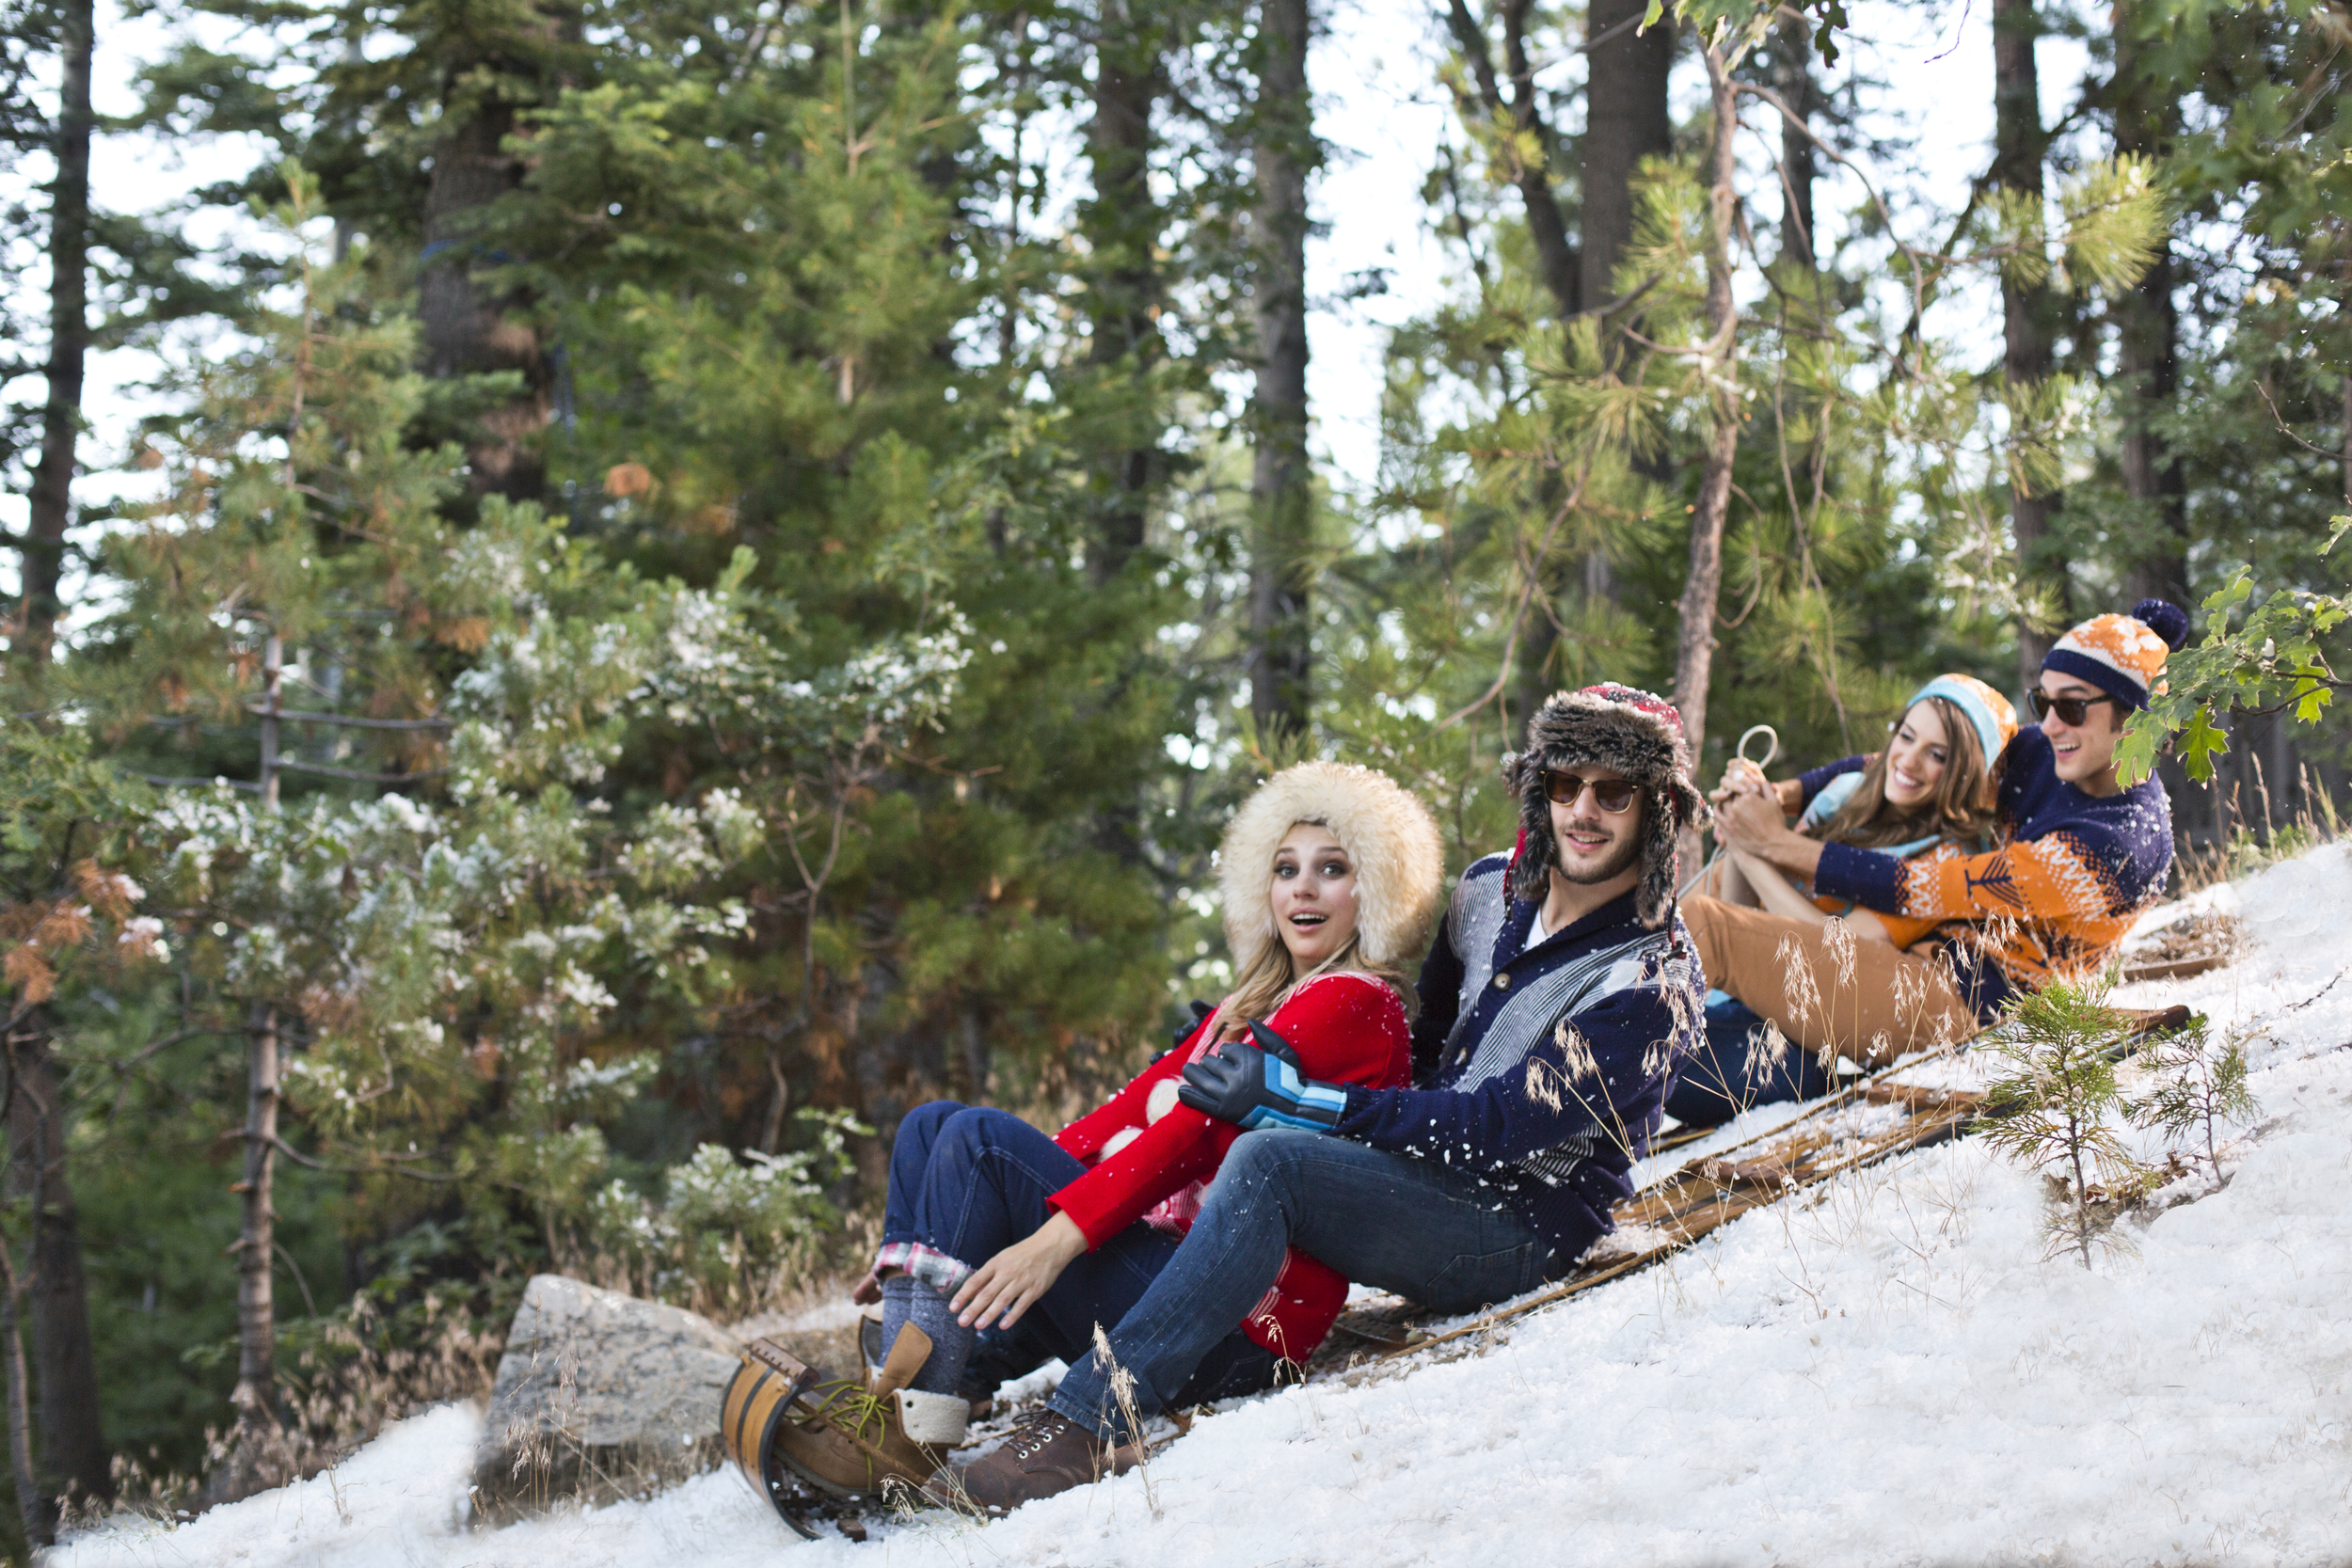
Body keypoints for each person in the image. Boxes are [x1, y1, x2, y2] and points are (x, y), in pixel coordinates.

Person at [927, 683, 1708, 1514]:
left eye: (1613, 791)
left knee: (1274, 1159)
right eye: (1564, 784)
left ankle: (1085, 1423)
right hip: (1422, 1180)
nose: (1583, 810)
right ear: (1537, 788)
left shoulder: (1651, 976)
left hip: (1521, 1225)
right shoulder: (1488, 893)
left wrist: (1312, 1103)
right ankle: (941, 1382)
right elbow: (1426, 1039)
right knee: (1248, 1150)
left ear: (1656, 808)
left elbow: (1501, 1125)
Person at [762, 760, 1444, 1499]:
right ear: (1263, 887)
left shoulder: (1354, 1001)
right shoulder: (1250, 1005)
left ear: (1372, 888)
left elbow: (1185, 1133)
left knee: (981, 1143)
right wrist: (947, 1215)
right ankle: (899, 1401)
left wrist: (1054, 1237)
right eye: (1286, 869)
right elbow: (1123, 1116)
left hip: (1238, 1321)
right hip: (1170, 1272)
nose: (1302, 887)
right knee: (935, 1130)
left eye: (1331, 868)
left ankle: (900, 1431)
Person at [1680, 599, 2186, 1106]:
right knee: (1719, 1042)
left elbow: (1920, 887)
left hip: (1969, 1012)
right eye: (2042, 703)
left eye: (2071, 707)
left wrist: (1770, 841)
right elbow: (1897, 762)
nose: (2051, 724)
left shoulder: (2117, 843)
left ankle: (1605, 1036)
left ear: (2135, 716)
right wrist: (1781, 795)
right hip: (1911, 966)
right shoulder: (2044, 752)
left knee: (1709, 929)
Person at [1668, 673, 2017, 1123]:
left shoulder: (1945, 858)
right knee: (1688, 1064)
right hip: (1793, 1021)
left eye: (1937, 755)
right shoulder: (1843, 796)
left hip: (1870, 995)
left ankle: (1575, 1085)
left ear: (1963, 772)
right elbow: (1745, 915)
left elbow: (1840, 948)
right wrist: (1745, 821)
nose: (1908, 761)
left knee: (1702, 924)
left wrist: (1756, 849)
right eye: (1906, 736)